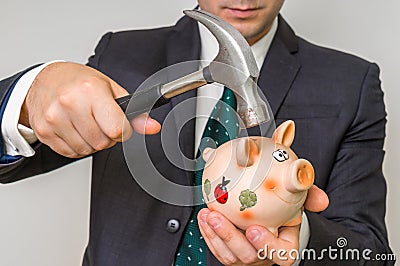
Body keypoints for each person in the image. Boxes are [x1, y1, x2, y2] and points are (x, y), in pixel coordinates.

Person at [0, 0, 393, 265]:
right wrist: (28, 98)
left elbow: (369, 254)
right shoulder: (118, 55)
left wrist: (296, 232)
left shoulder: (351, 82)